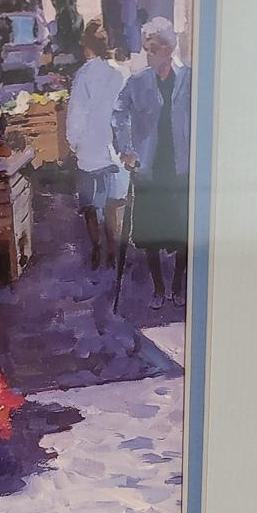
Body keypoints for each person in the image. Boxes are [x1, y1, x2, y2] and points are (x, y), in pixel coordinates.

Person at [113, 17, 191, 309]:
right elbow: (118, 114)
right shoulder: (138, 81)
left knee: (183, 231)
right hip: (148, 167)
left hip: (182, 167)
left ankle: (178, 285)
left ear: (168, 49)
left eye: (153, 49)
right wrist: (126, 150)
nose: (149, 55)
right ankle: (159, 288)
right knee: (151, 232)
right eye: (147, 49)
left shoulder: (189, 79)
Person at [66, 20, 130, 270]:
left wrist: (73, 142)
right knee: (113, 203)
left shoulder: (84, 75)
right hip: (112, 149)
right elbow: (127, 114)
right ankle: (112, 249)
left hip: (89, 150)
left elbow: (76, 114)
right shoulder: (121, 73)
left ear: (87, 46)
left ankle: (96, 247)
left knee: (91, 205)